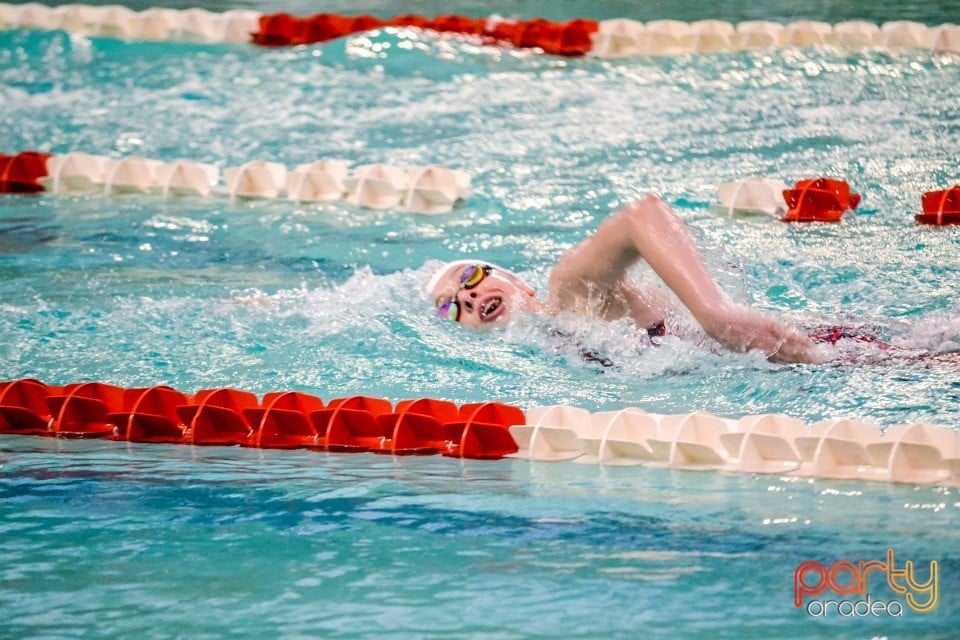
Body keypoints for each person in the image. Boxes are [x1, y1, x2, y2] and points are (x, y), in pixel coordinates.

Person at [426, 194, 818, 364]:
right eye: (452, 307)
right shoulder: (552, 352)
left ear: (516, 280)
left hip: (809, 348)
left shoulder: (571, 294)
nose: (469, 297)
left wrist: (716, 316)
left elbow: (641, 215)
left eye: (470, 277)